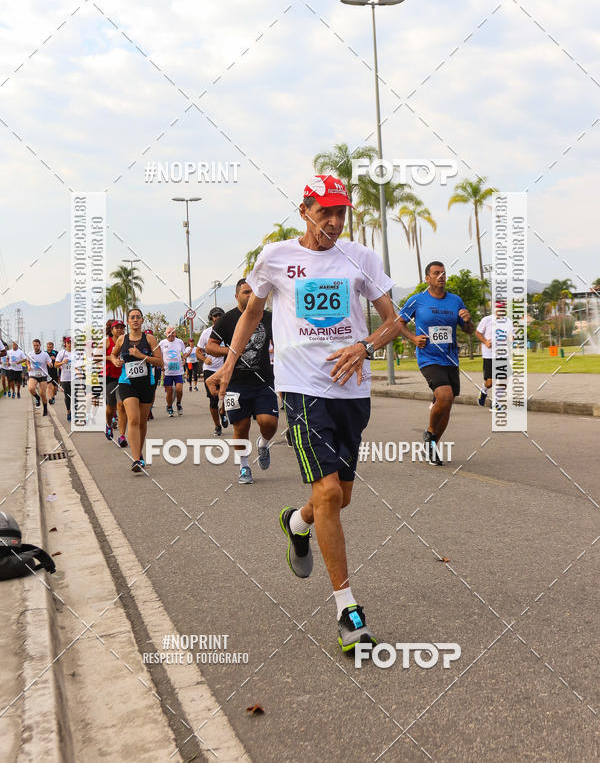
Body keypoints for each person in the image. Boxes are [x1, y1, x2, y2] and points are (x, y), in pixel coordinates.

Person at [207, 174, 399, 652]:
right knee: (330, 492)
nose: (333, 221)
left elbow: (393, 320)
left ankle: (297, 523)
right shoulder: (275, 256)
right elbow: (252, 312)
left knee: (339, 499)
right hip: (301, 389)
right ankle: (347, 610)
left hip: (352, 391)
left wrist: (365, 345)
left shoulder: (361, 257)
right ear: (305, 210)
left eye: (341, 213)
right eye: (325, 211)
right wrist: (229, 364)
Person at [396, 261, 476, 464]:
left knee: (446, 404)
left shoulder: (455, 301)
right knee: (445, 395)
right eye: (436, 273)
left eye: (443, 273)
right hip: (428, 357)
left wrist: (467, 320)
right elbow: (399, 324)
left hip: (450, 358)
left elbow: (468, 330)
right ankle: (430, 432)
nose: (441, 276)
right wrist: (413, 338)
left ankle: (432, 445)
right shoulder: (417, 300)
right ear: (427, 278)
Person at [206, 280, 278, 485]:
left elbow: (279, 342)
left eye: (254, 292)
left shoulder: (269, 317)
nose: (251, 295)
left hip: (264, 381)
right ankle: (244, 466)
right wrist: (231, 351)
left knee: (269, 423)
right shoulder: (227, 320)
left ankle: (263, 443)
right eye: (246, 292)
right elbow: (211, 346)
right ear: (237, 296)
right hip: (235, 383)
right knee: (241, 425)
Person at [109, 308, 162, 472]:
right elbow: (112, 355)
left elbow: (160, 362)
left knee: (142, 422)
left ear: (142, 320)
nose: (135, 320)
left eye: (138, 317)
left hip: (147, 383)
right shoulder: (122, 339)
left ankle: (138, 452)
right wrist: (115, 361)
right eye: (132, 317)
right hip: (127, 383)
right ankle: (136, 459)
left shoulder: (150, 339)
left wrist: (141, 356)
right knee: (133, 418)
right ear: (128, 321)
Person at [475, 301, 514, 407]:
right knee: (490, 382)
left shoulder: (508, 321)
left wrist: (511, 338)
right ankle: (483, 390)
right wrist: (485, 341)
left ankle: (495, 403)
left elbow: (511, 335)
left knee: (504, 380)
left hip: (502, 354)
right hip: (489, 355)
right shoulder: (487, 320)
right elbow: (478, 333)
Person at [197, 308, 227, 436]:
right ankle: (217, 425)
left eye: (220, 315)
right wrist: (205, 359)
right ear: (211, 318)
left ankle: (223, 412)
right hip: (210, 370)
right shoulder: (206, 333)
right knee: (213, 400)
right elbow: (198, 351)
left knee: (228, 395)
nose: (218, 317)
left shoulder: (228, 331)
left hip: (225, 368)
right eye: (215, 316)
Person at [105, 320, 128, 444]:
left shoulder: (127, 340)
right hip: (110, 377)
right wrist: (111, 358)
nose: (119, 330)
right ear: (112, 330)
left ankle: (122, 435)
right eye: (117, 328)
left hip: (124, 377)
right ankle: (108, 424)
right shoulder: (107, 341)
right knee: (111, 407)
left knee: (122, 405)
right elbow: (95, 357)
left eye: (122, 328)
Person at [158, 327, 186, 416]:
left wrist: (184, 358)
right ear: (166, 333)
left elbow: (184, 353)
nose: (171, 334)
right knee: (169, 391)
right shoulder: (162, 343)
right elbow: (160, 356)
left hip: (178, 371)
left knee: (179, 389)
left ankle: (178, 404)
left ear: (175, 333)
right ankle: (169, 406)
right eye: (169, 332)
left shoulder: (179, 342)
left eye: (173, 332)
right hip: (167, 372)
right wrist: (162, 366)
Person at [26, 339, 54, 416]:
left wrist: (50, 364)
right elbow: (27, 360)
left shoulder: (45, 355)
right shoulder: (30, 353)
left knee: (43, 393)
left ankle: (45, 409)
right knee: (31, 388)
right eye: (34, 345)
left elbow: (49, 362)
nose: (35, 347)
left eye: (37, 345)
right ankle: (37, 398)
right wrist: (28, 366)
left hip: (43, 375)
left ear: (40, 345)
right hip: (33, 374)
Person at [55, 337, 73, 421]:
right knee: (67, 396)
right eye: (68, 342)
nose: (70, 344)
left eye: (71, 342)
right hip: (65, 378)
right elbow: (56, 365)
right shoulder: (62, 353)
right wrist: (62, 362)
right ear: (65, 344)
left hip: (75, 378)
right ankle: (69, 411)